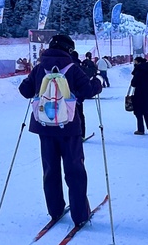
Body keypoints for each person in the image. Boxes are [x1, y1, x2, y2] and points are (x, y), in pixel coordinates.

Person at [18, 34, 102, 228]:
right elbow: (88, 91)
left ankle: (55, 210)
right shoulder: (73, 68)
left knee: (50, 169)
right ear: (69, 50)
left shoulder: (40, 67)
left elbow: (25, 91)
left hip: (44, 127)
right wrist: (97, 83)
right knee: (75, 170)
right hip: (69, 127)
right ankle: (80, 214)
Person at [130, 56, 148, 134]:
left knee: (138, 112)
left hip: (139, 93)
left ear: (138, 62)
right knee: (147, 111)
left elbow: (133, 83)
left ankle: (140, 129)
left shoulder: (139, 71)